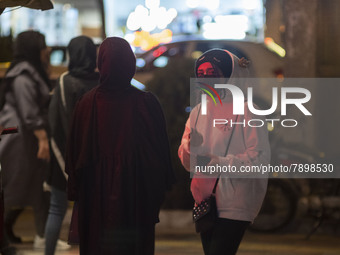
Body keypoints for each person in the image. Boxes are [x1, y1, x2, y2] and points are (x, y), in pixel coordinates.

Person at [65, 37, 175, 255]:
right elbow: (161, 158)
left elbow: (74, 157)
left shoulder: (86, 104)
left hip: (95, 199)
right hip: (136, 200)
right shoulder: (146, 103)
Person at [178, 49, 271, 255]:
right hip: (205, 201)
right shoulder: (198, 112)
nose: (206, 79)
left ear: (230, 75)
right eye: (200, 74)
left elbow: (259, 160)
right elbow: (187, 162)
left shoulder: (248, 110)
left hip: (235, 202)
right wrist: (189, 149)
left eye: (212, 72)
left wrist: (217, 162)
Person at [45, 36, 99, 255]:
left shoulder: (64, 81)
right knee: (94, 212)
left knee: (56, 209)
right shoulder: (101, 80)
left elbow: (53, 120)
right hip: (95, 158)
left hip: (64, 156)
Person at [0, 31, 51, 254]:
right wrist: (42, 138)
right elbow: (29, 111)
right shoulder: (23, 75)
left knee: (29, 185)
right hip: (18, 137)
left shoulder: (28, 71)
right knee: (18, 184)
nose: (47, 50)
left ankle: (9, 231)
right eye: (43, 46)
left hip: (21, 135)